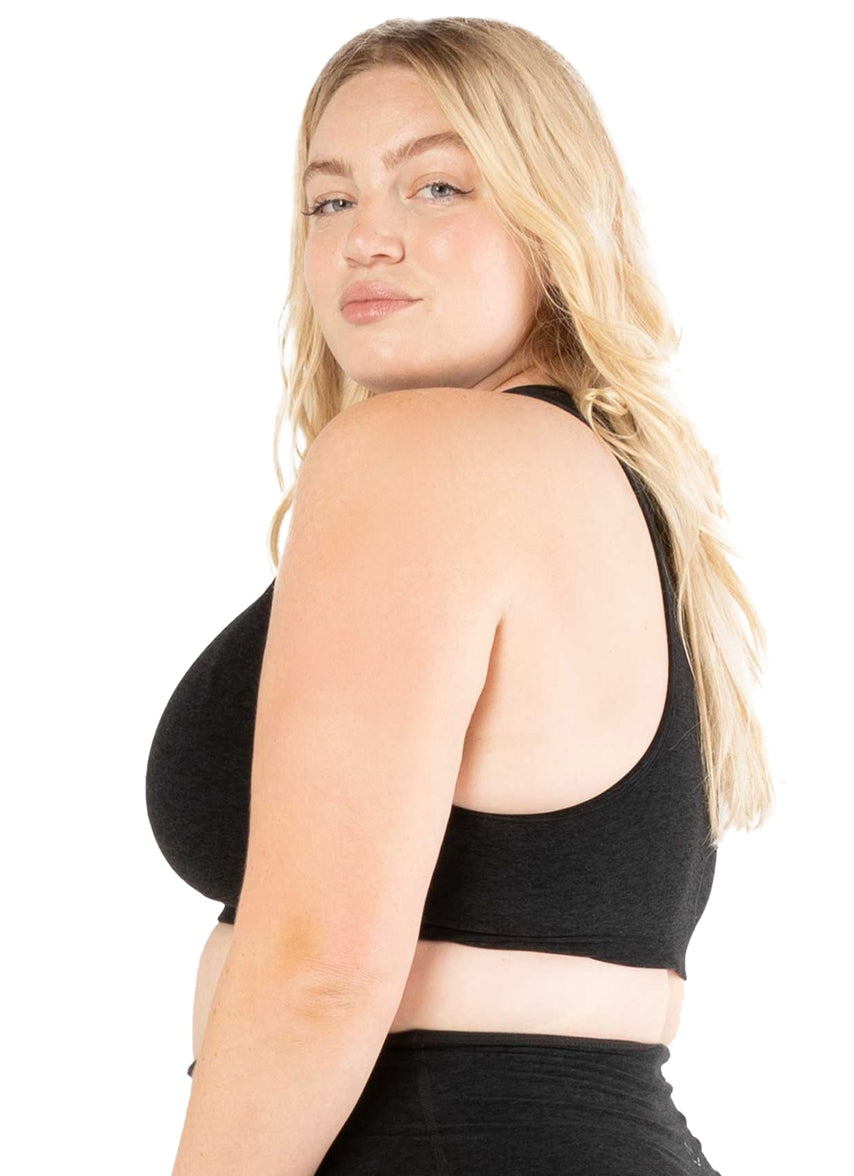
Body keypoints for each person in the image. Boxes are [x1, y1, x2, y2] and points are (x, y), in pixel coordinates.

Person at [147, 17, 775, 1175]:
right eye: (329, 200)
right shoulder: (598, 482)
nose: (366, 238)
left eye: (435, 186)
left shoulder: (421, 455)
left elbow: (317, 972)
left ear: (553, 216)